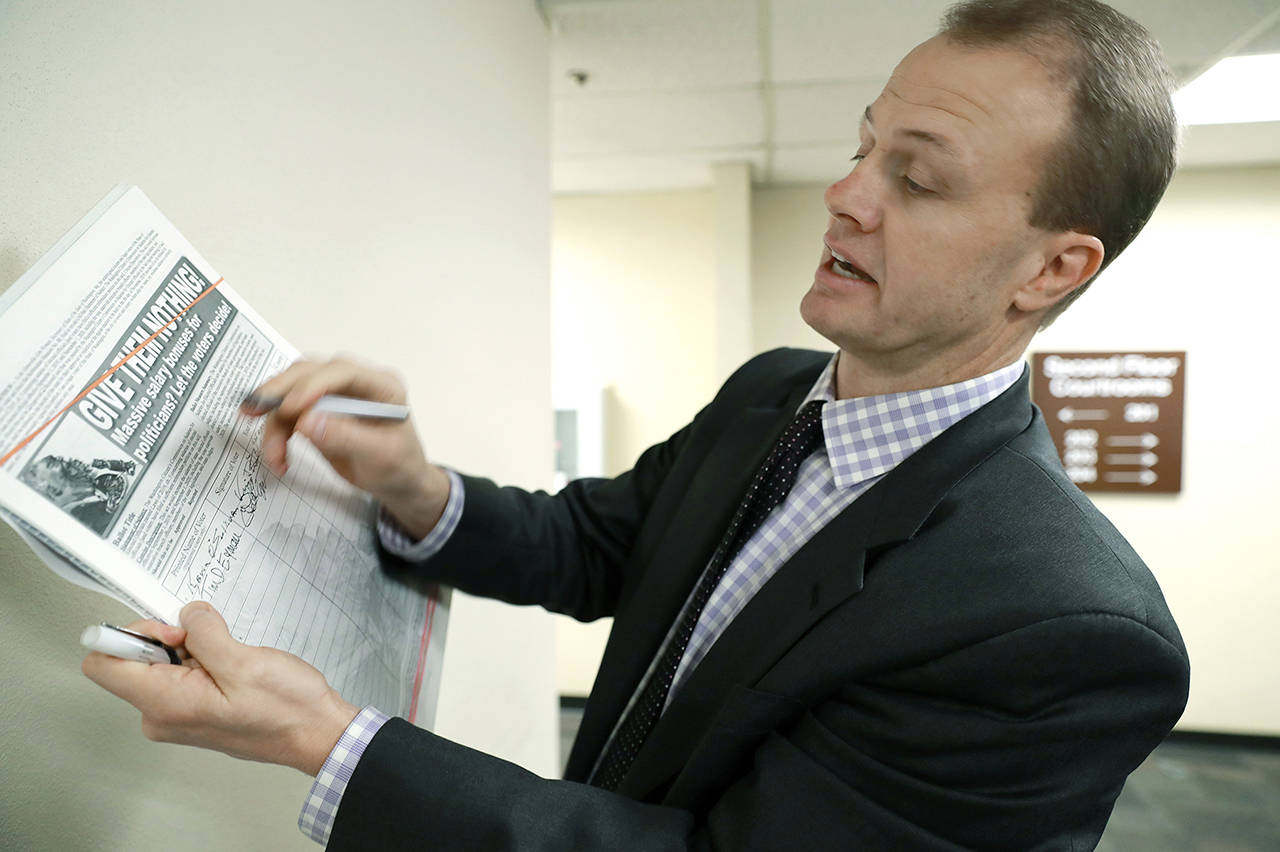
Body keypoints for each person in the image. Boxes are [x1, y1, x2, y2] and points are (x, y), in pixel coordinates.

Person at [83, 1, 1191, 848]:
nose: (846, 194)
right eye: (863, 147)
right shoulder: (772, 392)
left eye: (914, 177)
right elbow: (604, 545)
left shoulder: (1059, 625)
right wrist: (413, 486)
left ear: (1051, 268)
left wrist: (326, 743)